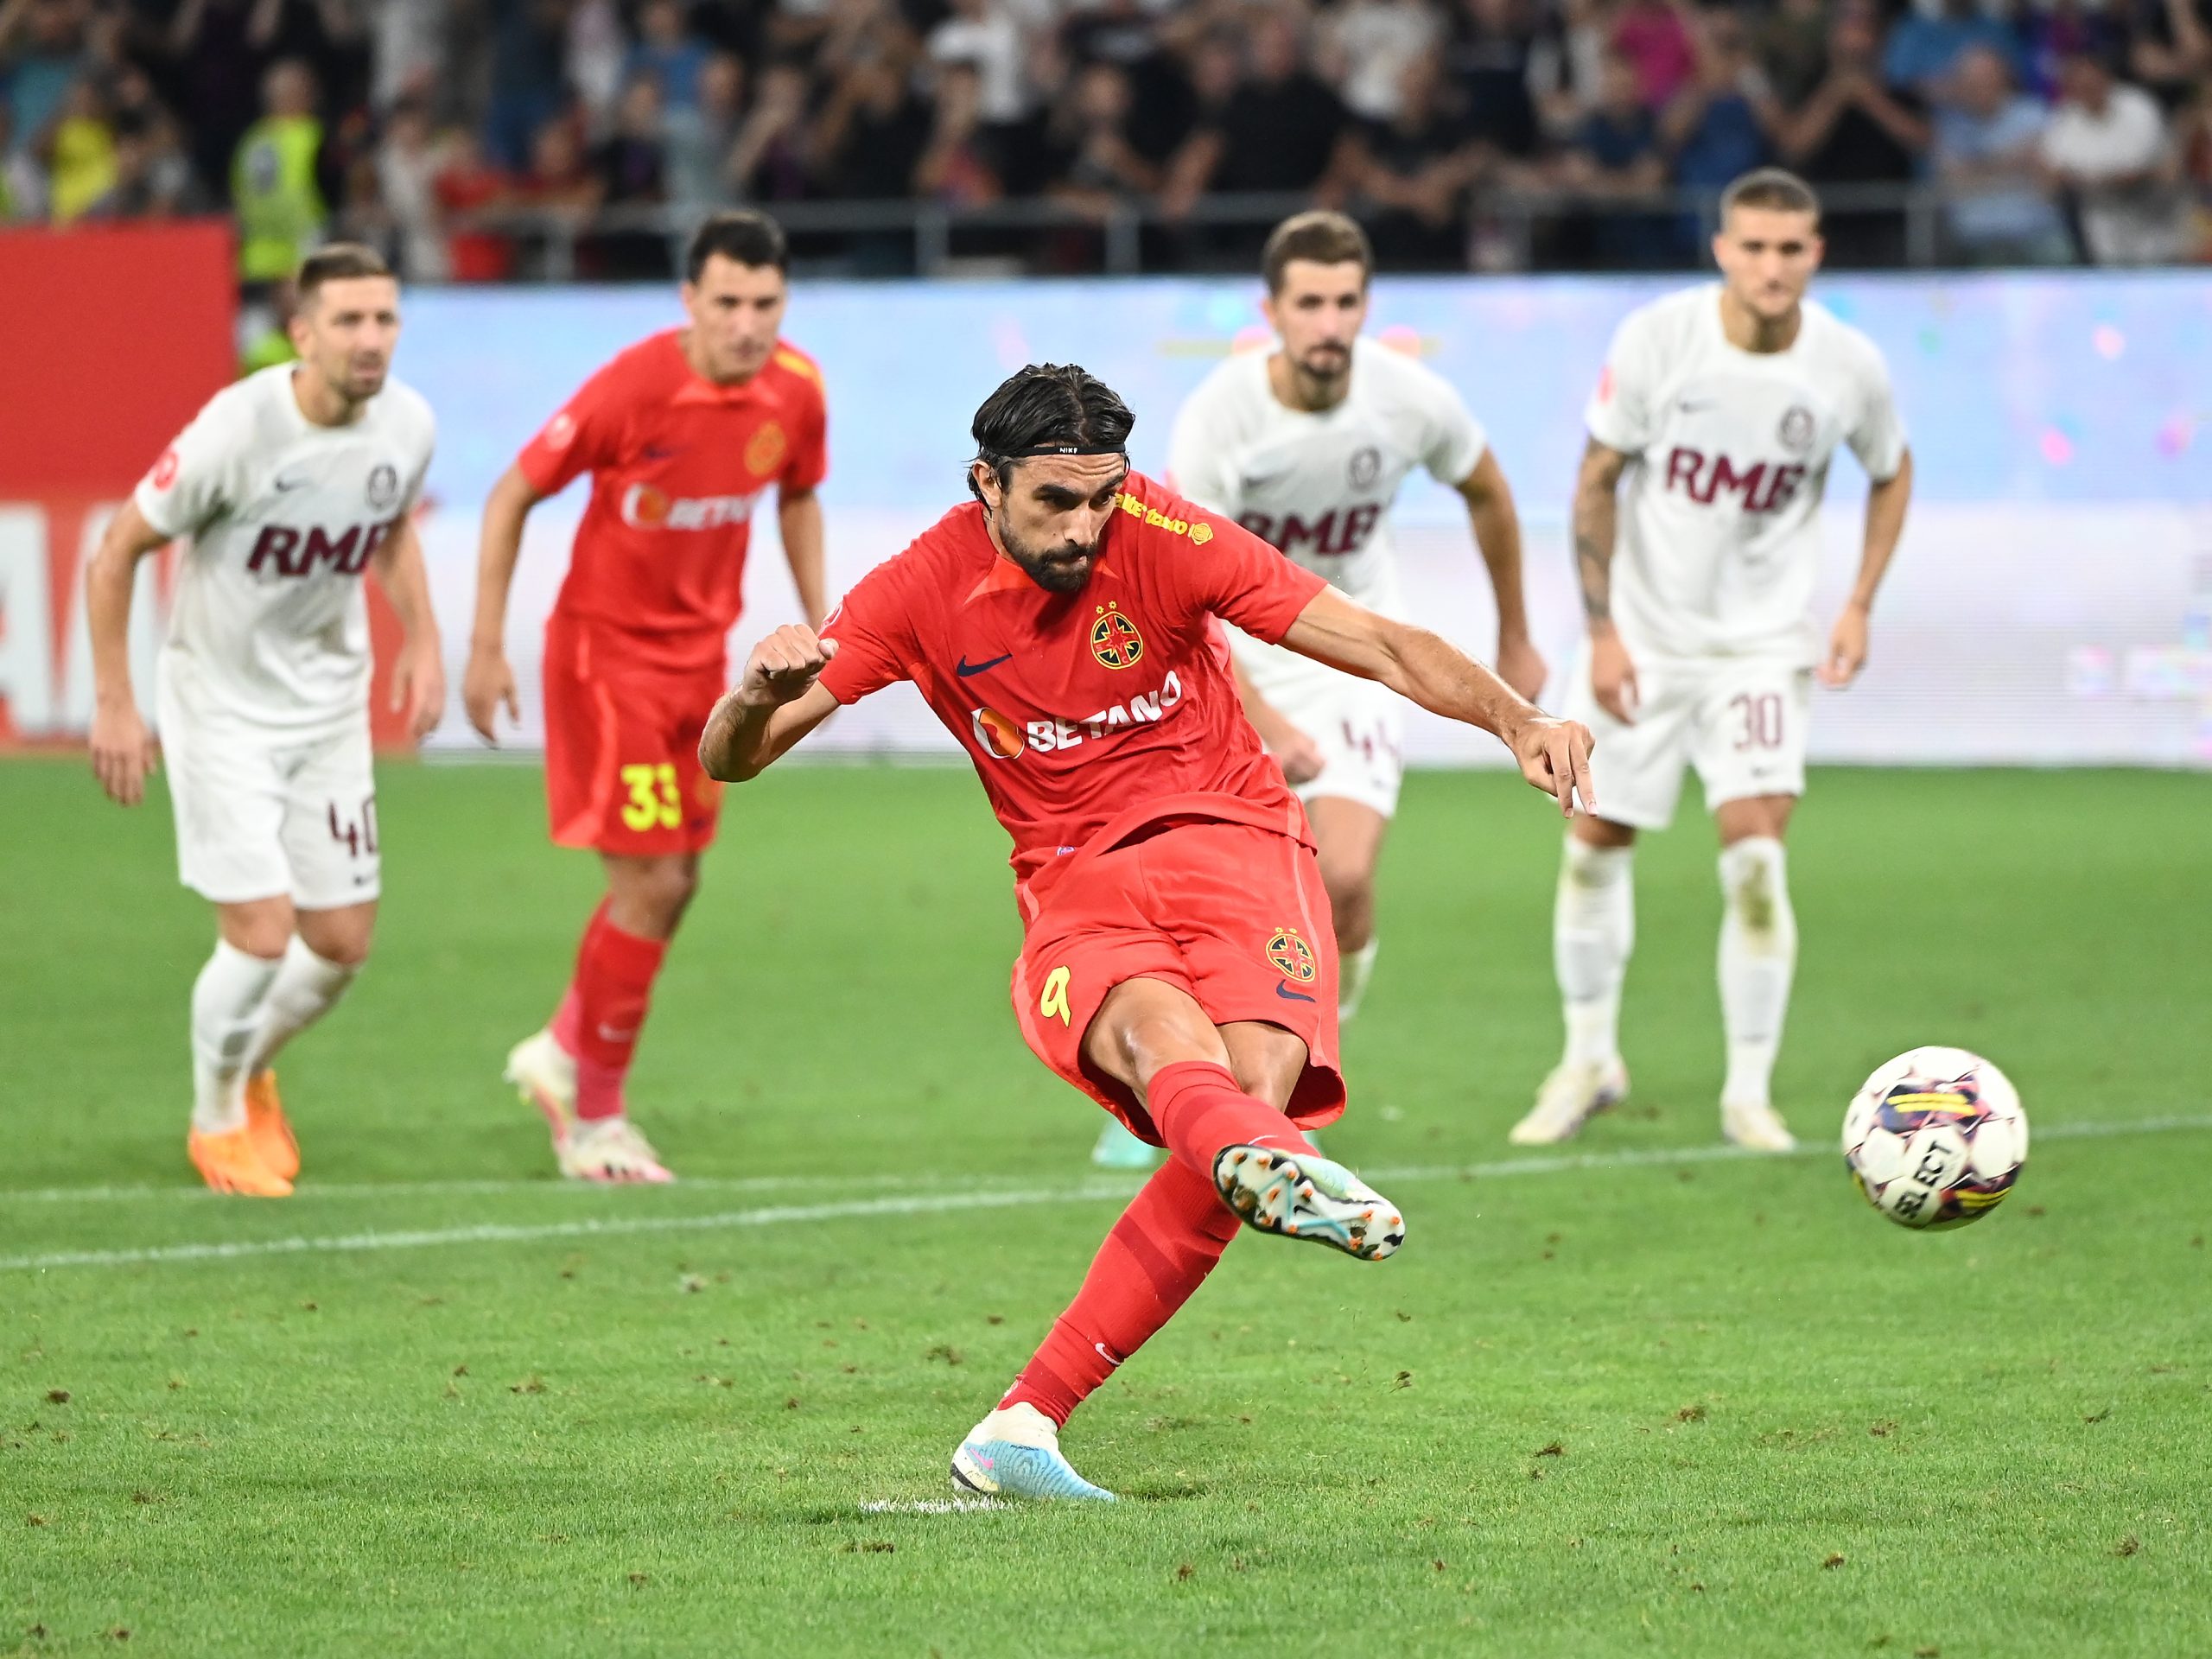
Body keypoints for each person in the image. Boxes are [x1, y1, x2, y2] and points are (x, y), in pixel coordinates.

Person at [697, 363, 1593, 1501]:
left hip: (1240, 843)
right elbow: (733, 760)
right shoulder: (919, 587)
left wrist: (1515, 722)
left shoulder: (1167, 531)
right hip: (1081, 878)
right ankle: (1280, 1169)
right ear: (987, 484)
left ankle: (1022, 1425)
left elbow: (1373, 642)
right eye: (1054, 504)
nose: (1084, 528)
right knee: (1170, 1050)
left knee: (1241, 1106)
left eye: (1101, 498)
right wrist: (754, 693)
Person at [1096, 211, 1541, 1172]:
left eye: (1346, 303)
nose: (1329, 324)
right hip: (1228, 665)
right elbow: (1176, 581)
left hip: (1351, 652)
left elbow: (1488, 490)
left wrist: (1514, 634)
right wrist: (1260, 714)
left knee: (1339, 879)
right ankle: (1170, 1076)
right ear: (1271, 312)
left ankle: (1290, 1075)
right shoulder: (1221, 415)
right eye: (1310, 304)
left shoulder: (1407, 398)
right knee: (1200, 893)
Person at [1514, 168, 1912, 1154]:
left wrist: (1857, 602)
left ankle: (1748, 1091)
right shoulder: (1659, 341)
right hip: (1643, 638)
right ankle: (1588, 1060)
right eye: (1755, 247)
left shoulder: (1847, 366)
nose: (1772, 266)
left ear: (1815, 254)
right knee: (1595, 843)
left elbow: (1892, 470)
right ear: (1722, 250)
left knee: (1754, 858)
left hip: (1762, 650)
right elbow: (1595, 480)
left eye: (1791, 249)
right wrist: (1602, 632)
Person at [463, 210, 828, 1185]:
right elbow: (510, 495)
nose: (748, 324)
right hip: (604, 662)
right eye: (728, 303)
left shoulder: (795, 391)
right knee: (652, 883)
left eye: (765, 304)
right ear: (689, 302)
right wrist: (485, 645)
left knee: (680, 880)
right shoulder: (635, 386)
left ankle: (562, 1049)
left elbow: (796, 493)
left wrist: (822, 617)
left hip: (700, 666)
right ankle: (594, 1119)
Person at [84, 244, 443, 1198]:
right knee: (259, 932)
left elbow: (392, 526)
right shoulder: (236, 432)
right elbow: (114, 554)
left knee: (339, 947)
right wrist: (117, 703)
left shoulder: (407, 425)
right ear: (302, 334)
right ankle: (215, 1124)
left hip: (327, 710)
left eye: (385, 320)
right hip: (220, 708)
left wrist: (426, 638)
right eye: (350, 322)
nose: (372, 341)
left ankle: (247, 1074)